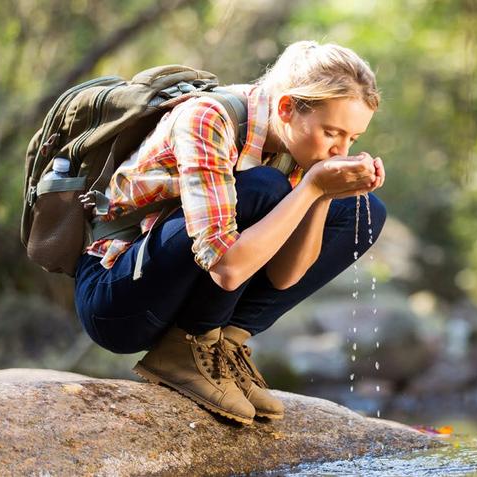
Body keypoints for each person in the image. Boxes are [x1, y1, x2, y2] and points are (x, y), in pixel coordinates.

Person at [73, 40, 386, 425]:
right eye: (332, 132)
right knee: (267, 189)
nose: (341, 150)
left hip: (177, 283)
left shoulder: (295, 147)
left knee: (361, 209)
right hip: (117, 297)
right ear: (286, 108)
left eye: (352, 139)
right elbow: (227, 269)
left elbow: (284, 277)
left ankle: (223, 345)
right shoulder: (208, 118)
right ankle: (189, 345)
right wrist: (311, 188)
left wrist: (322, 197)